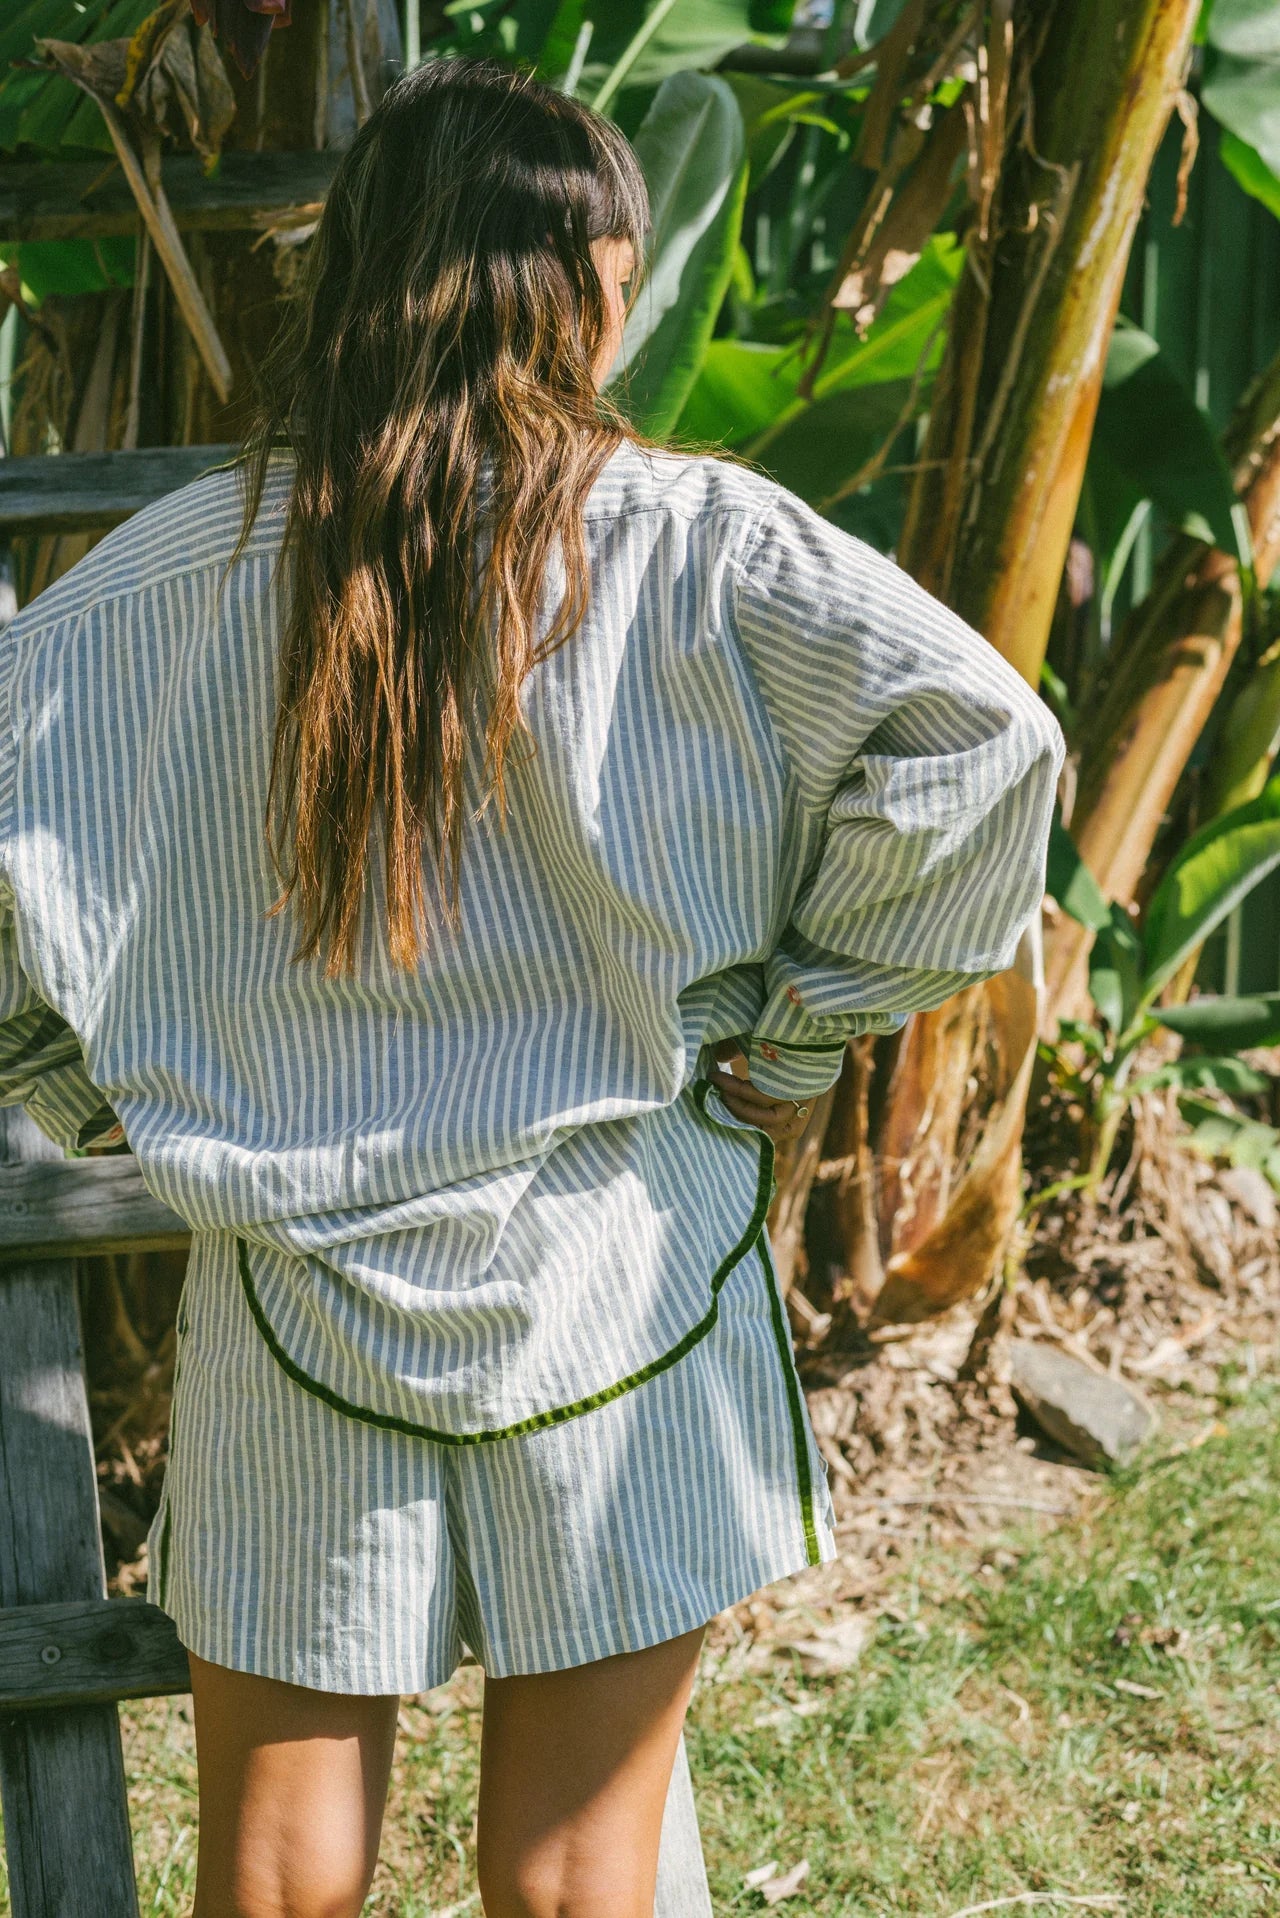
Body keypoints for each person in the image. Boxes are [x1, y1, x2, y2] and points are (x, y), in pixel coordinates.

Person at [0, 56, 1064, 1918]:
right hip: (620, 1265)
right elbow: (987, 745)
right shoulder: (709, 543)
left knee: (277, 1873)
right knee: (579, 1876)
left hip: (293, 1284)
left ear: (353, 277)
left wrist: (92, 1089)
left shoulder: (162, 577)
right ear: (589, 289)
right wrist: (805, 1028)